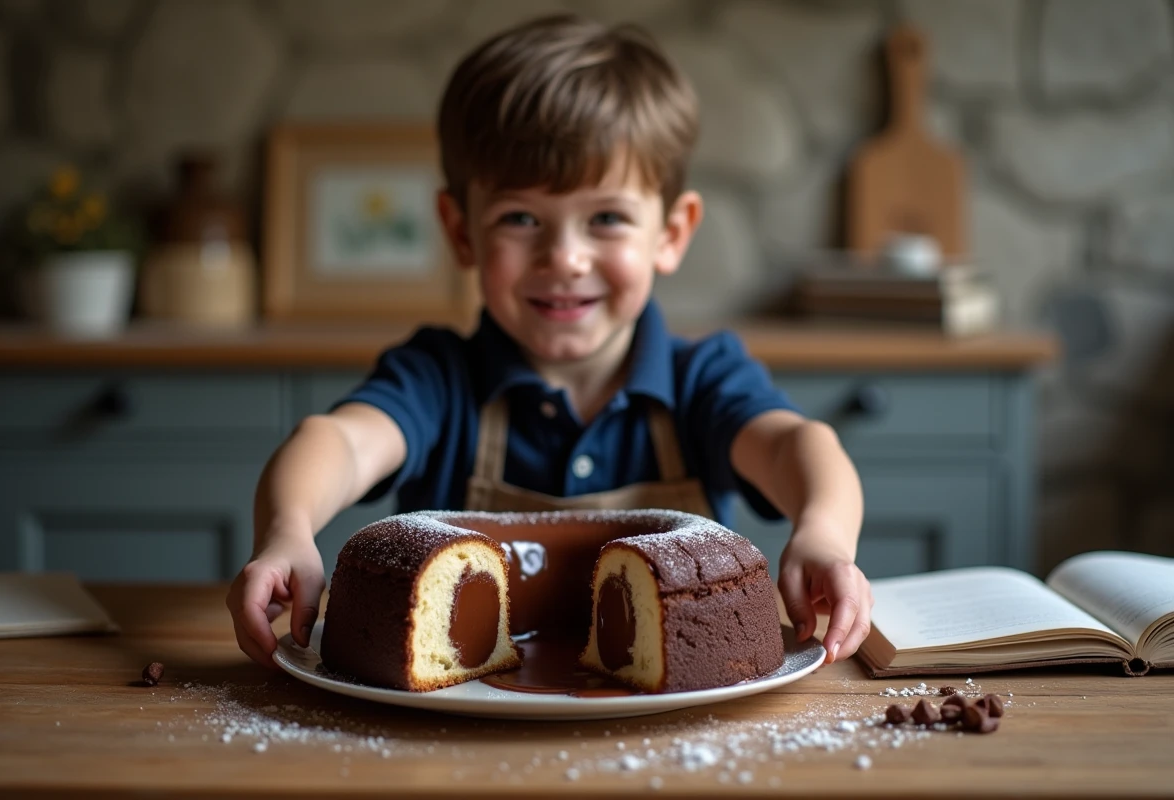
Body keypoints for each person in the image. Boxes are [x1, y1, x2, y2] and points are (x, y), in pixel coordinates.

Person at [227, 14, 870, 672]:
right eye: (521, 218)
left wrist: (823, 533)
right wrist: (286, 531)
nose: (563, 257)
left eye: (607, 218)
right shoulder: (439, 378)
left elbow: (798, 446)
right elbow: (337, 441)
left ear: (672, 233)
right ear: (462, 231)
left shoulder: (701, 378)